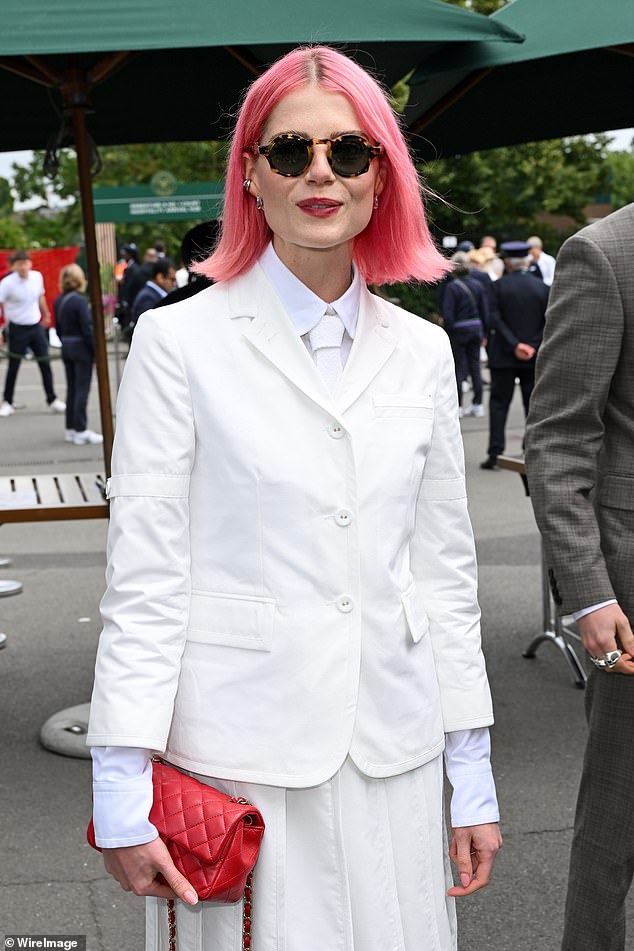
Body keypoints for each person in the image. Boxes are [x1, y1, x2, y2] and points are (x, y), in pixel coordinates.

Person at [87, 45, 501, 951]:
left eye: (349, 151)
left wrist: (472, 772)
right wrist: (118, 785)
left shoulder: (422, 352)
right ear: (250, 174)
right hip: (242, 756)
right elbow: (147, 573)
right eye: (291, 151)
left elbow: (444, 574)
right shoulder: (177, 342)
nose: (321, 172)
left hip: (396, 752)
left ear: (382, 175)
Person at [525, 202, 634, 951]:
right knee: (616, 822)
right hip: (631, 600)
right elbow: (559, 441)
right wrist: (590, 594)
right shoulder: (605, 254)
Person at [480, 241, 549, 470]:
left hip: (503, 356)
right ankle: (530, 450)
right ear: (528, 262)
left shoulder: (498, 287)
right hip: (533, 356)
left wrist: (514, 344)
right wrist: (531, 345)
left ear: (508, 262)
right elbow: (548, 321)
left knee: (499, 404)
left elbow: (494, 318)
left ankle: (495, 452)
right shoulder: (542, 288)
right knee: (533, 405)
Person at [0, 250, 65, 418]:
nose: (23, 267)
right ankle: (7, 401)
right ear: (13, 266)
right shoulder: (7, 283)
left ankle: (52, 399)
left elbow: (40, 296)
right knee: (14, 365)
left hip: (35, 325)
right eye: (19, 264)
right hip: (17, 327)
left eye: (26, 263)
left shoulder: (37, 277)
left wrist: (46, 314)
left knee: (45, 363)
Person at [54, 263, 103, 446]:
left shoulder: (60, 300)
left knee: (72, 389)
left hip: (66, 345)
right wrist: (95, 353)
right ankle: (81, 430)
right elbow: (87, 329)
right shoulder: (80, 300)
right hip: (80, 347)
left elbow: (58, 328)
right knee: (82, 389)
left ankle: (71, 429)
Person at [440, 251, 488, 417]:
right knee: (475, 367)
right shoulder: (478, 285)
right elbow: (484, 312)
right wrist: (485, 333)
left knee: (459, 368)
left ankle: (459, 405)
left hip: (458, 331)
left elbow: (448, 315)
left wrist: (449, 331)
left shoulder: (452, 288)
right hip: (476, 329)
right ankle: (478, 404)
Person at [130, 258, 177, 325]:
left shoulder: (151, 295)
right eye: (172, 279)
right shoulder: (147, 298)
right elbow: (147, 328)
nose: (174, 283)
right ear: (160, 277)